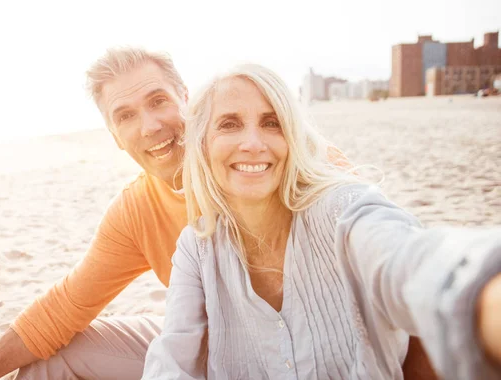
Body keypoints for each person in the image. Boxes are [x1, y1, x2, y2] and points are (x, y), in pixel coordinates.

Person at [0, 47, 432, 380]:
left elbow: (389, 264)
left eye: (159, 100)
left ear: (187, 100)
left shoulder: (284, 159)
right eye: (124, 115)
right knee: (52, 359)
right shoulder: (136, 210)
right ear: (113, 135)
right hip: (207, 348)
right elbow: (63, 309)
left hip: (313, 346)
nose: (151, 125)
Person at [141, 64, 501, 380]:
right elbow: (173, 357)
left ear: (293, 138)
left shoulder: (342, 208)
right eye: (230, 124)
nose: (253, 143)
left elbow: (410, 260)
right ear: (202, 145)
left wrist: (484, 294)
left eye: (272, 123)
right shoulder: (197, 246)